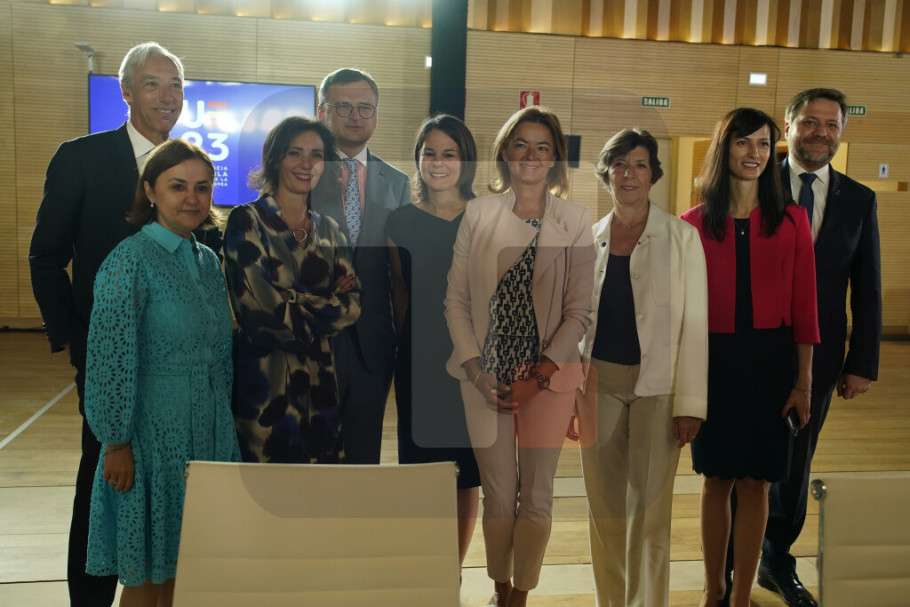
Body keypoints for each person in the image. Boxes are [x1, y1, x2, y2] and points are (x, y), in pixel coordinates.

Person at [28, 42, 220, 607]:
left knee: (165, 486)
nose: (167, 95)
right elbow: (46, 256)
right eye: (153, 83)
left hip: (177, 371)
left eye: (176, 84)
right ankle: (90, 598)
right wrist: (74, 338)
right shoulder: (81, 157)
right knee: (106, 476)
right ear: (127, 92)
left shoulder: (190, 168)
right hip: (109, 357)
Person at [445, 106, 595, 607]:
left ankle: (521, 596)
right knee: (498, 492)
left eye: (543, 147)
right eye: (521, 144)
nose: (531, 155)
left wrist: (540, 374)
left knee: (536, 494)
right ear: (505, 153)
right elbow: (455, 300)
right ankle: (500, 587)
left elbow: (578, 312)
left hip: (548, 379)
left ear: (555, 159)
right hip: (483, 376)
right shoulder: (478, 214)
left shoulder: (575, 220)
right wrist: (474, 369)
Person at [83, 138, 239, 606]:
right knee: (147, 576)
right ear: (150, 191)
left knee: (185, 568)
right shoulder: (128, 260)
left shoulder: (206, 260)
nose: (192, 198)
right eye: (178, 186)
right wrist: (116, 443)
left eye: (202, 187)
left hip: (206, 434)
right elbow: (109, 359)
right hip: (151, 438)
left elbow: (218, 351)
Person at [680, 108, 819, 607]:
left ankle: (741, 594)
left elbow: (805, 307)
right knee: (715, 480)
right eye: (743, 142)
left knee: (757, 483)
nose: (754, 153)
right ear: (725, 149)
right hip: (712, 364)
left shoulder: (792, 221)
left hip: (770, 365)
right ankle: (714, 587)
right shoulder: (692, 224)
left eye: (763, 144)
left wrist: (803, 383)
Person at [754, 89, 882, 607]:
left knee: (795, 461)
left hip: (822, 356)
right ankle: (729, 558)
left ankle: (775, 560)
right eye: (810, 122)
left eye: (831, 125)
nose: (821, 133)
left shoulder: (859, 199)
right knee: (743, 455)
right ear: (787, 127)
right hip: (749, 349)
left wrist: (862, 362)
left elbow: (867, 286)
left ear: (841, 132)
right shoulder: (753, 183)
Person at [575, 128, 708, 607]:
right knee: (605, 509)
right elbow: (575, 322)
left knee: (649, 512)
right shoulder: (588, 239)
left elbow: (696, 324)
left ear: (654, 174)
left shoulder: (682, 237)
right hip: (597, 385)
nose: (629, 173)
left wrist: (690, 403)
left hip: (660, 388)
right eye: (620, 164)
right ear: (607, 173)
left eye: (639, 164)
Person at [225, 116, 360, 463]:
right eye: (295, 152)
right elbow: (262, 315)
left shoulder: (330, 229)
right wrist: (325, 301)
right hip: (267, 392)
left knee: (320, 491)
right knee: (266, 491)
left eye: (316, 155)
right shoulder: (247, 221)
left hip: (322, 390)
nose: (306, 163)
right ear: (275, 159)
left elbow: (352, 307)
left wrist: (291, 297)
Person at [387, 114, 482, 572]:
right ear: (418, 158)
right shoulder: (399, 222)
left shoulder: (487, 216)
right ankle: (427, 572)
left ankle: (453, 573)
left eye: (449, 153)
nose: (438, 162)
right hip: (419, 361)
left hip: (475, 362)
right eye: (429, 153)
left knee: (467, 474)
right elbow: (399, 296)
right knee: (424, 471)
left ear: (466, 160)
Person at [312, 68, 411, 464]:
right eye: (343, 106)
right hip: (314, 339)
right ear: (322, 112)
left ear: (376, 116)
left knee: (364, 454)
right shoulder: (303, 172)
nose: (355, 115)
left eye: (365, 108)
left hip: (374, 340)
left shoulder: (397, 182)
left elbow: (400, 273)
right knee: (313, 455)